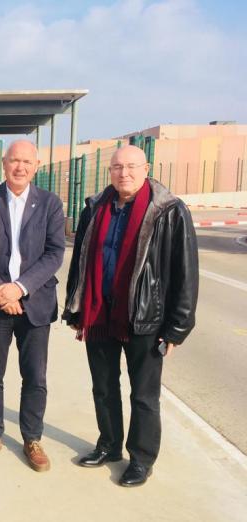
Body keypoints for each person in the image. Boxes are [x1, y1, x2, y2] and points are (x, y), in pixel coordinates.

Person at [62, 144, 198, 487]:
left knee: (143, 395)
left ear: (146, 169)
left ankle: (141, 459)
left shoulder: (169, 210)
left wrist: (178, 327)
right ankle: (109, 445)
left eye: (132, 166)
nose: (124, 173)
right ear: (110, 171)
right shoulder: (95, 207)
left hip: (145, 317)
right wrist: (76, 307)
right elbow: (81, 261)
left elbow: (185, 271)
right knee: (103, 387)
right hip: (99, 313)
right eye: (117, 167)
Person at [0, 140, 65, 471]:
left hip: (36, 303)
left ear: (36, 165)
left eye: (26, 161)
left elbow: (55, 253)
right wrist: (1, 290)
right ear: (4, 163)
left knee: (35, 376)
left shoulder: (50, 203)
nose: (20, 167)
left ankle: (32, 438)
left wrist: (19, 289)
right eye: (14, 160)